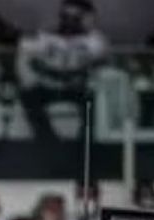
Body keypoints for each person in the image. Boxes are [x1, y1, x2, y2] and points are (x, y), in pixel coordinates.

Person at [16, 0, 106, 142]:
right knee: (28, 96)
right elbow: (30, 59)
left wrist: (73, 73)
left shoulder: (94, 40)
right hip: (48, 86)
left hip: (77, 87)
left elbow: (97, 62)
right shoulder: (45, 36)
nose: (69, 22)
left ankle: (84, 144)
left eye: (75, 17)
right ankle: (49, 141)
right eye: (65, 16)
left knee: (93, 99)